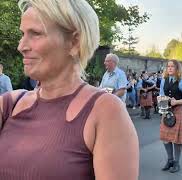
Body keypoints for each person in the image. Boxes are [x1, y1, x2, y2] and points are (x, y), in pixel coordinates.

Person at [0, 1, 139, 179]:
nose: (21, 46)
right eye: (22, 34)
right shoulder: (9, 104)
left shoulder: (106, 112)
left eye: (35, 33)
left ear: (74, 42)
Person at [159, 60, 182, 173]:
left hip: (179, 110)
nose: (170, 68)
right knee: (165, 138)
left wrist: (176, 102)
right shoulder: (164, 80)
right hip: (166, 110)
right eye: (168, 66)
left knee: (177, 140)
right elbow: (161, 94)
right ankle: (170, 160)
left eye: (172, 66)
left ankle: (177, 163)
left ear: (177, 68)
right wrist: (162, 100)